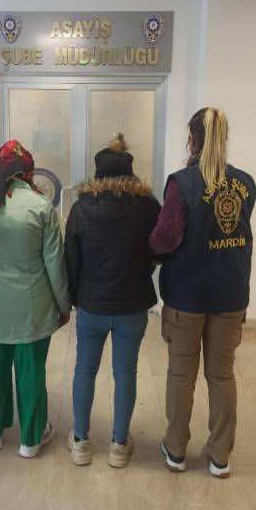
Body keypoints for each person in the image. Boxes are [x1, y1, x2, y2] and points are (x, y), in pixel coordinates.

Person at [149, 107, 256, 479]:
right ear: (224, 140)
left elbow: (165, 238)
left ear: (192, 139)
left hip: (187, 295)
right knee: (222, 375)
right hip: (231, 294)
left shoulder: (182, 183)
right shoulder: (246, 183)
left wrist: (146, 247)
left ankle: (176, 449)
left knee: (181, 374)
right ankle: (219, 456)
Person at [63, 134, 161, 468]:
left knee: (84, 368)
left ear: (98, 174)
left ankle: (80, 441)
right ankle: (119, 445)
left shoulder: (81, 208)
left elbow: (71, 258)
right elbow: (157, 249)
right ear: (130, 174)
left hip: (92, 303)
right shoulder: (148, 207)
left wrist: (74, 298)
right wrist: (144, 269)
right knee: (126, 372)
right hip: (132, 305)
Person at [0, 140, 71, 458]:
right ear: (29, 169)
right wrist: (63, 304)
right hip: (32, 306)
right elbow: (54, 263)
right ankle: (30, 439)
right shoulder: (41, 206)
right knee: (31, 374)